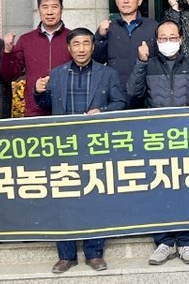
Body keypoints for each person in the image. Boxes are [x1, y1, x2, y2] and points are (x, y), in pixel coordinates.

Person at [33, 28, 127, 274]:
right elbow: (45, 104)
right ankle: (66, 256)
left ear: (93, 47)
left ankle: (94, 253)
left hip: (95, 146)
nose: (82, 48)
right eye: (76, 44)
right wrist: (38, 91)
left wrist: (102, 112)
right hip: (64, 146)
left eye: (86, 43)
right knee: (63, 199)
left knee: (95, 198)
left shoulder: (107, 74)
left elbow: (120, 102)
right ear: (69, 48)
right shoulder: (57, 74)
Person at [126, 20, 189, 265]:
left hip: (188, 137)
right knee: (160, 189)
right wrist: (141, 62)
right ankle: (164, 241)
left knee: (188, 188)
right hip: (157, 138)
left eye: (172, 37)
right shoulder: (149, 65)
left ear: (181, 39)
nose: (168, 42)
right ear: (156, 41)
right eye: (163, 38)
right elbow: (132, 93)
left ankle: (186, 242)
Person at [0, 0, 70, 118]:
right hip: (35, 110)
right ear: (38, 10)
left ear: (61, 9)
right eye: (45, 7)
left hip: (68, 109)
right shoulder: (26, 40)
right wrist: (7, 52)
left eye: (54, 7)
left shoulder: (72, 38)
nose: (49, 12)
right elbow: (10, 75)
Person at [95, 0, 159, 96]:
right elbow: (96, 60)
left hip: (146, 93)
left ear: (139, 0)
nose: (125, 0)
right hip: (115, 93)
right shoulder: (108, 27)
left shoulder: (153, 26)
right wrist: (100, 37)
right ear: (116, 0)